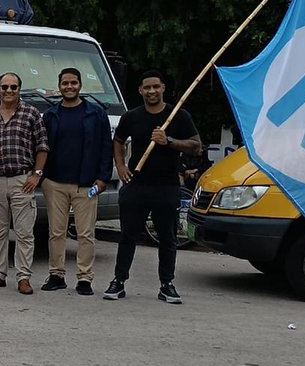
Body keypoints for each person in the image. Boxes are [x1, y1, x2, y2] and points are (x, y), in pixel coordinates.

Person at [105, 70, 201, 304]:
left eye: (156, 87)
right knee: (128, 235)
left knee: (167, 237)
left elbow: (196, 146)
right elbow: (118, 141)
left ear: (163, 88)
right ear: (140, 90)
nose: (151, 91)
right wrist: (121, 166)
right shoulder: (131, 117)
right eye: (147, 88)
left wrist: (168, 141)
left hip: (166, 186)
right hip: (136, 185)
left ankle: (167, 285)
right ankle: (118, 281)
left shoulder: (178, 116)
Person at [40, 68, 112, 296]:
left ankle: (84, 278)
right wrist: (41, 176)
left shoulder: (95, 113)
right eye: (65, 83)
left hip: (87, 183)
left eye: (73, 83)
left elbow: (105, 147)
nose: (69, 87)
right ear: (59, 86)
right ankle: (56, 274)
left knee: (86, 233)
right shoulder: (51, 115)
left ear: (80, 85)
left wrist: (103, 178)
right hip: (55, 183)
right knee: (56, 232)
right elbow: (42, 148)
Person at [0, 72, 48, 295]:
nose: (9, 91)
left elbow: (42, 146)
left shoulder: (32, 114)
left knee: (24, 233)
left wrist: (36, 174)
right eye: (4, 87)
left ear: (19, 89)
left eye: (13, 87)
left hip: (21, 180)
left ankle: (24, 277)